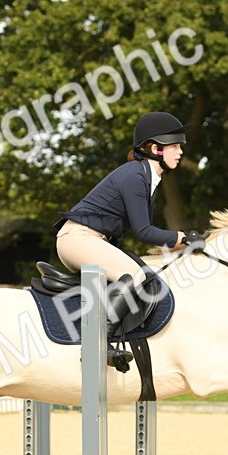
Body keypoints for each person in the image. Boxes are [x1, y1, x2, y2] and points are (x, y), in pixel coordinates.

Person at [53, 111, 207, 368]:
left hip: (90, 240)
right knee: (135, 275)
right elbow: (144, 232)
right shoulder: (135, 176)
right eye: (175, 146)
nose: (180, 151)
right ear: (155, 148)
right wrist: (182, 237)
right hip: (78, 239)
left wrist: (182, 242)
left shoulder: (148, 177)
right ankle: (99, 343)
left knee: (145, 271)